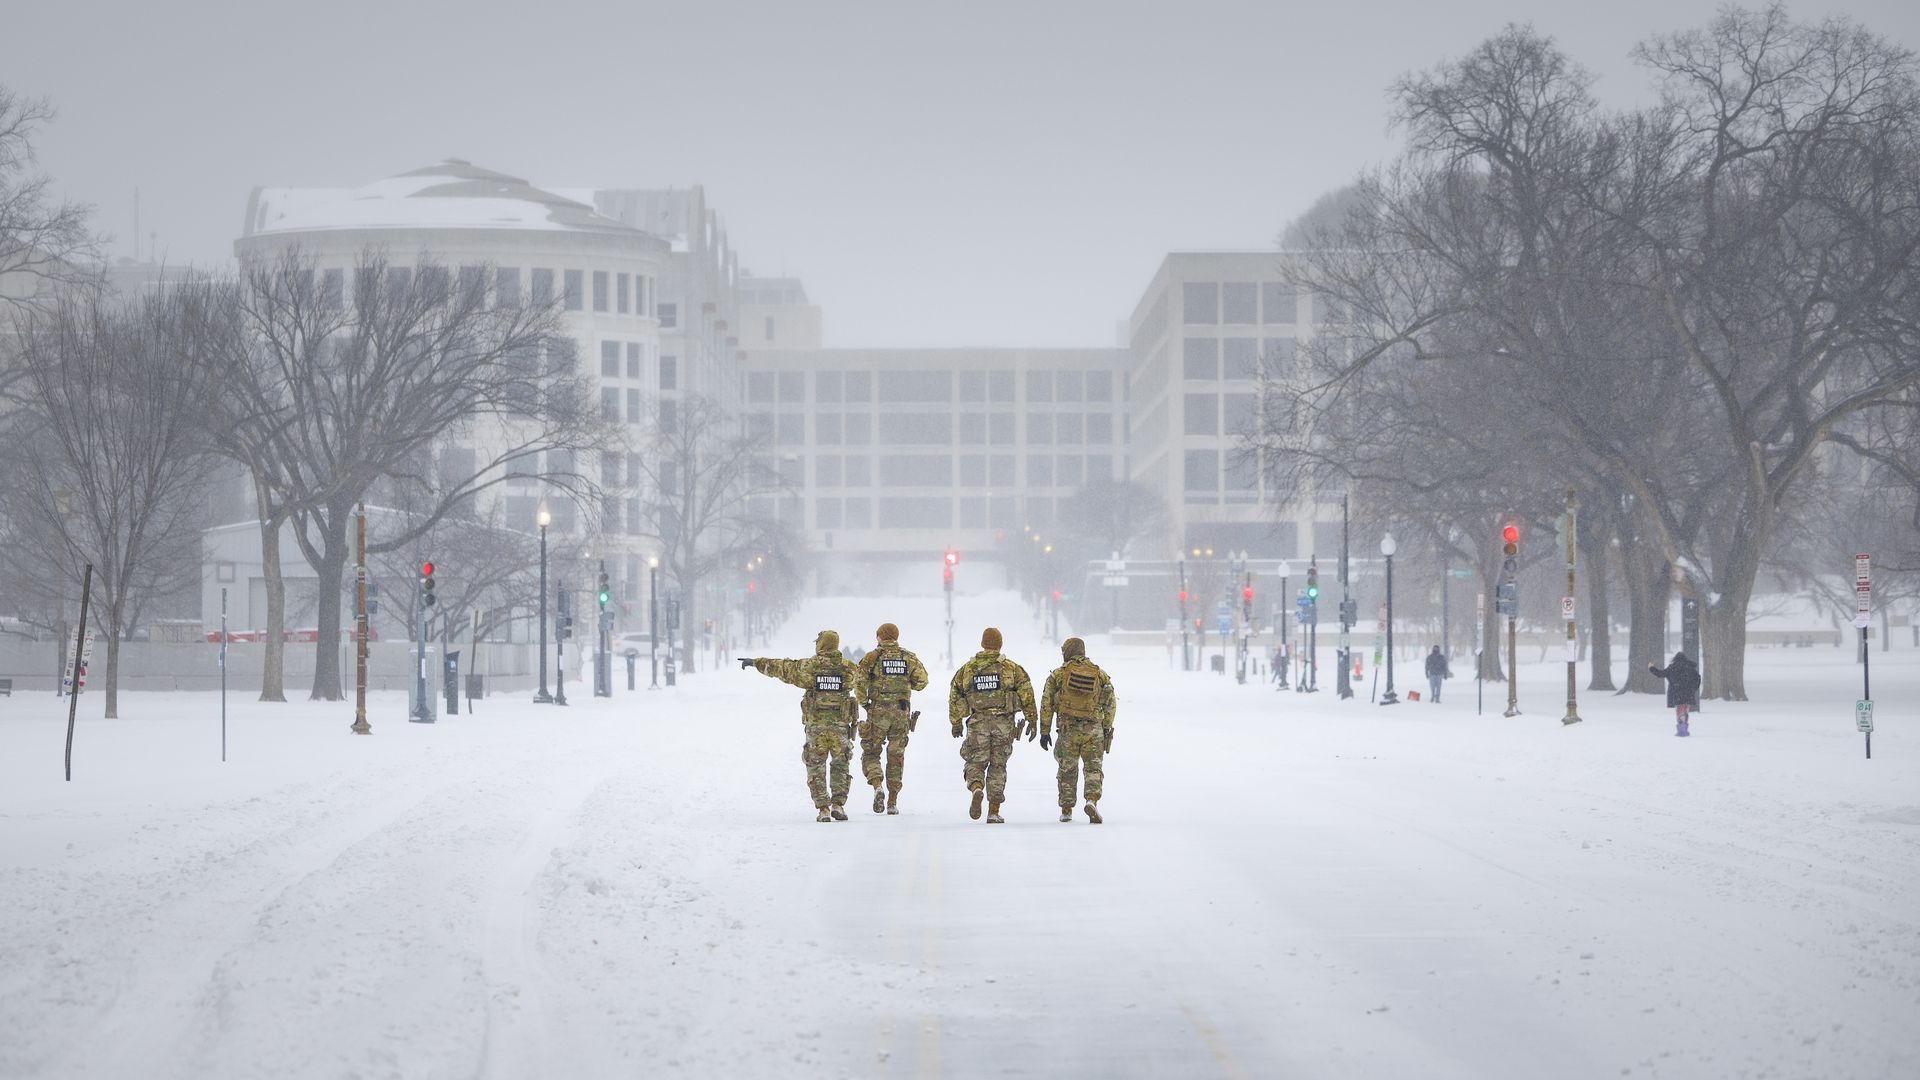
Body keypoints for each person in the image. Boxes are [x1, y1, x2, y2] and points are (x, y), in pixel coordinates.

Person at [740, 630, 867, 821]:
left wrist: (756, 662)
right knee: (840, 765)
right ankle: (838, 805)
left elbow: (783, 668)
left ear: (822, 644)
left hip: (816, 727)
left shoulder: (810, 666)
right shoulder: (849, 668)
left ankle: (823, 809)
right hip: (841, 727)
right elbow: (866, 683)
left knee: (815, 765)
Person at [947, 627, 1037, 823]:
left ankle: (977, 787)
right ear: (1000, 644)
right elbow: (1027, 694)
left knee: (975, 762)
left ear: (982, 644)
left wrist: (956, 723)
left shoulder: (967, 669)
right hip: (1003, 724)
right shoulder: (1012, 669)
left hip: (978, 723)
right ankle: (993, 811)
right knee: (998, 766)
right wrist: (1032, 720)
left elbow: (955, 696)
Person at [1039, 637, 1116, 824]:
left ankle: (1066, 810)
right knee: (1093, 768)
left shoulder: (1058, 674)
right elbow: (1110, 702)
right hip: (1094, 729)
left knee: (1067, 769)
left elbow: (1046, 703)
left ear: (1067, 652)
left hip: (1068, 729)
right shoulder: (1099, 673)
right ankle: (1091, 800)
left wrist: (1045, 731)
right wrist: (1106, 728)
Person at [857, 622, 929, 815]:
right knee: (896, 756)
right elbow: (922, 682)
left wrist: (865, 703)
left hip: (877, 712)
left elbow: (859, 682)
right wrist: (905, 683)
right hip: (901, 712)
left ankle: (877, 785)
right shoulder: (908, 658)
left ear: (879, 637)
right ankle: (892, 802)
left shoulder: (872, 657)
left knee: (871, 753)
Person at [1648, 651, 1701, 737]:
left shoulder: (1672, 668)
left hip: (1677, 693)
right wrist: (1694, 688)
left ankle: (1681, 730)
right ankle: (1685, 728)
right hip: (1688, 693)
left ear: (1675, 659)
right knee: (1685, 710)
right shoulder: (1691, 668)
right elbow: (1698, 679)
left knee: (1680, 711)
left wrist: (1651, 668)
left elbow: (1660, 674)